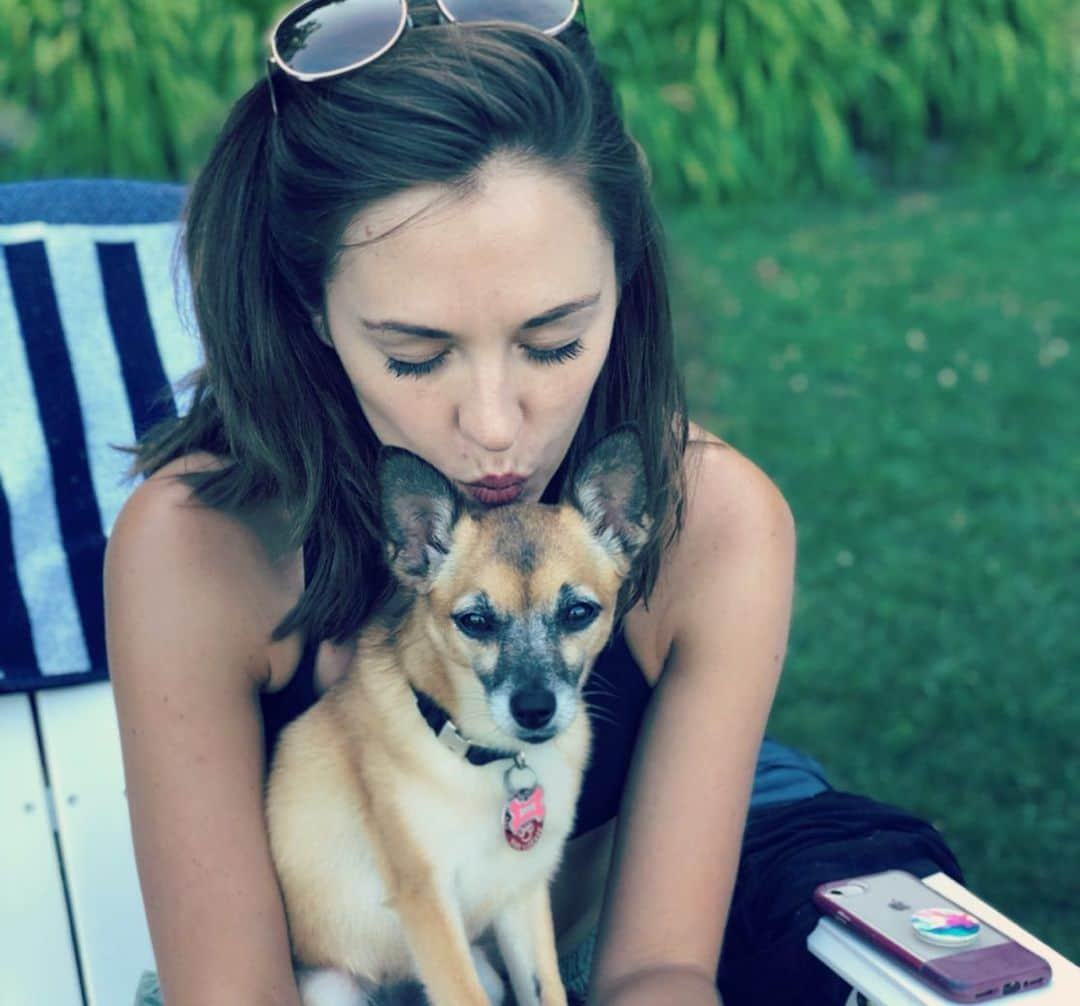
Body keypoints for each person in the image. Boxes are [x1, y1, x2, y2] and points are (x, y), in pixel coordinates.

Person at [104, 3, 961, 1005]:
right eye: (414, 355)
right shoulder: (199, 551)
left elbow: (657, 969)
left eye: (553, 341)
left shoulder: (720, 527)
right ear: (313, 310)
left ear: (623, 267)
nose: (496, 424)